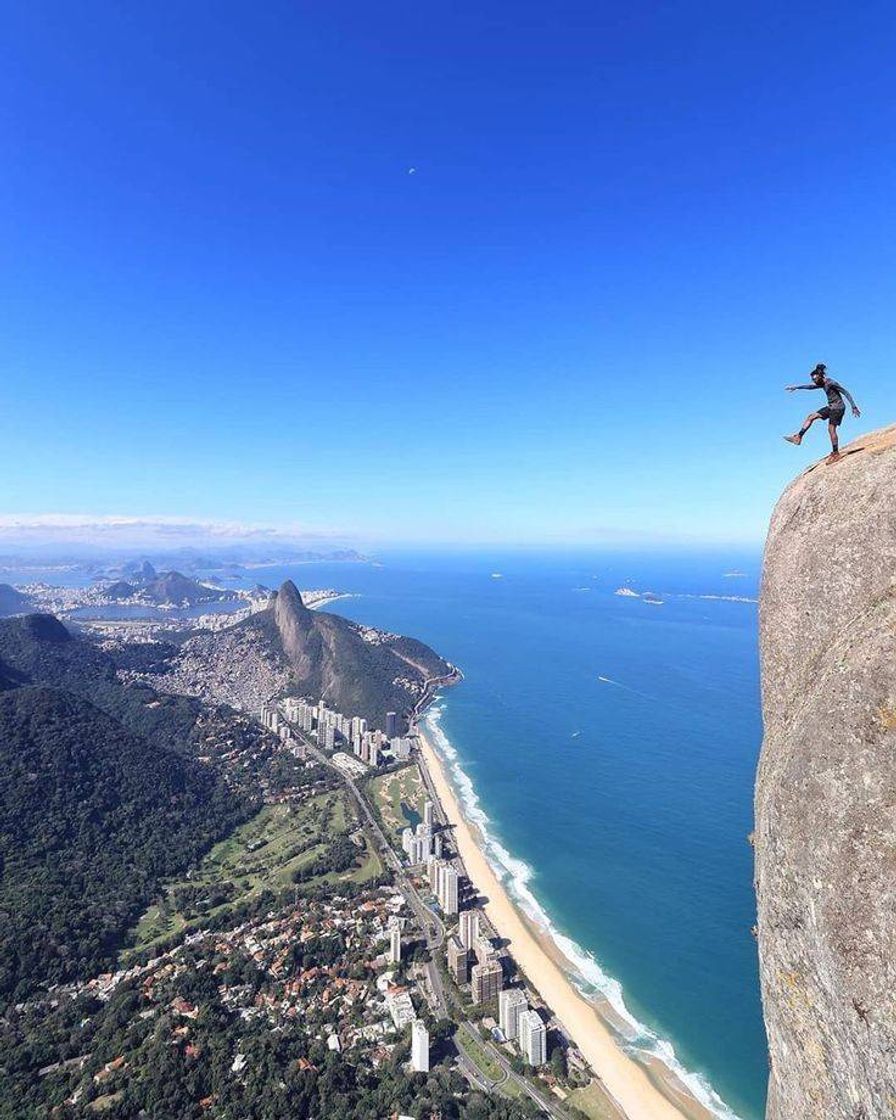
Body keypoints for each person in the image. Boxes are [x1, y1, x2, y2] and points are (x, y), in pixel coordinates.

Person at [783, 364, 861, 462]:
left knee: (831, 429)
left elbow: (845, 392)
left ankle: (836, 453)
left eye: (815, 379)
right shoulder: (821, 383)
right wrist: (797, 387)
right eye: (813, 379)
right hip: (831, 407)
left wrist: (853, 406)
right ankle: (798, 437)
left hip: (838, 408)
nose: (814, 381)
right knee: (811, 417)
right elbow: (810, 387)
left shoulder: (831, 382)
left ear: (820, 376)